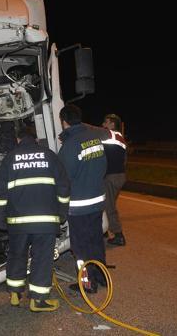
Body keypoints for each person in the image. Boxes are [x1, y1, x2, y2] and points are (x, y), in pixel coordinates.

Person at [0, 124, 70, 312]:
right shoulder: (50, 156)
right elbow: (63, 187)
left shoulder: (10, 159)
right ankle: (38, 300)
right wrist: (62, 212)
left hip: (18, 223)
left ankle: (14, 294)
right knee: (41, 259)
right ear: (35, 139)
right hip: (45, 223)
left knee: (16, 255)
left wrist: (1, 218)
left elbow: (0, 193)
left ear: (18, 140)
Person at [57, 105, 111, 294]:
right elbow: (103, 166)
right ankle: (101, 276)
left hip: (78, 207)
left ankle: (87, 284)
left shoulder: (69, 147)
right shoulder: (94, 139)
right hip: (97, 202)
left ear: (64, 122)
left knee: (80, 248)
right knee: (96, 240)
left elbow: (64, 180)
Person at [101, 114, 127, 246]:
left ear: (112, 124)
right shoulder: (120, 138)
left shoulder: (110, 136)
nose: (103, 125)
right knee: (106, 204)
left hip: (111, 176)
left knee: (108, 206)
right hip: (119, 175)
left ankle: (118, 235)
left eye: (106, 122)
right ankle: (104, 231)